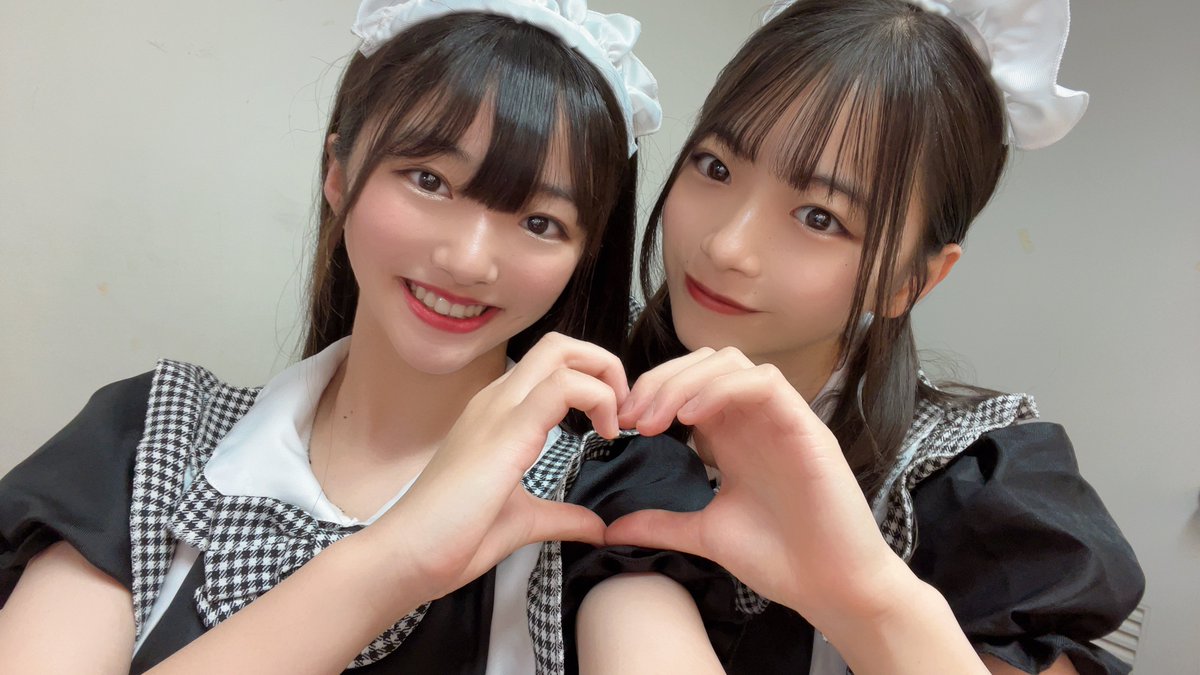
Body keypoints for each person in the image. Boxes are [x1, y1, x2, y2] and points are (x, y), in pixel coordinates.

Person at [0, 1, 668, 672]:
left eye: (540, 222)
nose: (469, 261)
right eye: (430, 180)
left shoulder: (605, 496)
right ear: (339, 173)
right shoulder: (152, 440)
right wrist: (395, 560)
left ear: (585, 251)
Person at [574, 1, 1145, 674]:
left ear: (911, 280)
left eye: (820, 217)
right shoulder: (582, 380)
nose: (727, 246)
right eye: (716, 166)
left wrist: (865, 598)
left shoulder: (971, 488)